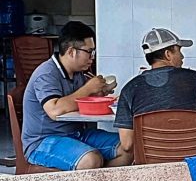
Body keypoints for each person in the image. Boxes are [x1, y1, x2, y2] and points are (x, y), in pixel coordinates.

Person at [21, 21, 131, 170]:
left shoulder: (78, 73)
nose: (92, 57)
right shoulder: (46, 74)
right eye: (89, 51)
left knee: (129, 146)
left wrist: (98, 93)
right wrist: (88, 89)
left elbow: (79, 100)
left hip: (77, 134)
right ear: (72, 51)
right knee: (91, 160)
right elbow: (54, 110)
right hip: (44, 141)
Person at [113, 28, 196, 154]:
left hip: (150, 164)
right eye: (179, 51)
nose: (182, 56)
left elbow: (127, 145)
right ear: (168, 54)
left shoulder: (129, 88)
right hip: (190, 158)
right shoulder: (194, 78)